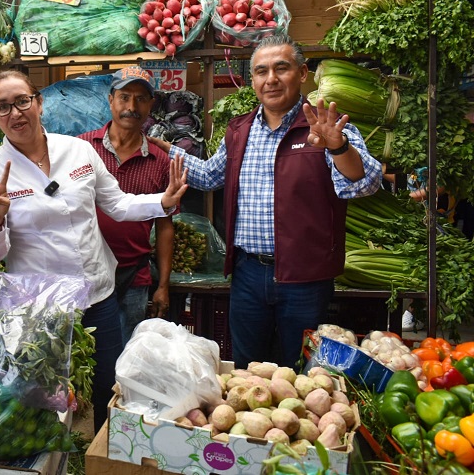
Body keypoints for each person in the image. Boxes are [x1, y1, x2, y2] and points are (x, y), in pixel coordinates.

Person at [0, 70, 188, 433]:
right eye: (3, 107)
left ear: (39, 103)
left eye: (22, 101)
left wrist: (161, 202)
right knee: (42, 397)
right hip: (40, 308)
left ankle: (101, 456)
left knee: (106, 387)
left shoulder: (78, 151)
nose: (15, 113)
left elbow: (117, 204)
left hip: (97, 294)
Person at [151, 35, 383, 370]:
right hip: (248, 274)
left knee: (302, 372)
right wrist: (163, 148)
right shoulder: (239, 130)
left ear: (303, 73)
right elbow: (208, 176)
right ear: (253, 80)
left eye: (281, 68)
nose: (270, 79)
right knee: (248, 368)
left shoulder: (324, 125)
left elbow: (364, 184)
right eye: (261, 71)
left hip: (306, 277)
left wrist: (337, 147)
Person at [78, 66, 174, 345]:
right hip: (86, 275)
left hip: (133, 276)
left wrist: (163, 286)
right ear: (110, 101)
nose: (132, 107)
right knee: (83, 355)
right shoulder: (82, 148)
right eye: (124, 97)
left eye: (141, 99)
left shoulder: (160, 160)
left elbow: (165, 226)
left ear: (151, 104)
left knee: (126, 356)